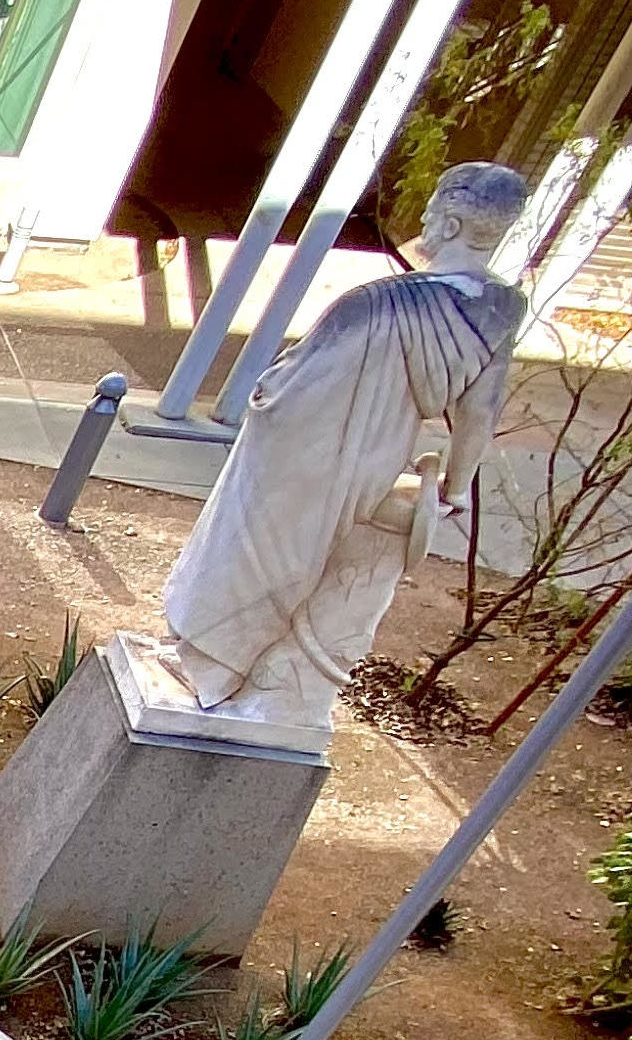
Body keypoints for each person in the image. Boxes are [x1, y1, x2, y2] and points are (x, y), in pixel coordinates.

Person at [152, 161, 532, 731]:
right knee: (289, 558)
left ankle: (211, 667)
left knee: (257, 548)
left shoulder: (378, 300)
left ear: (452, 221)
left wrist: (270, 398)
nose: (423, 217)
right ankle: (220, 670)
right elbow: (479, 411)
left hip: (305, 449)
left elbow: (290, 383)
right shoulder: (502, 307)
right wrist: (455, 485)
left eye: (431, 207)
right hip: (377, 456)